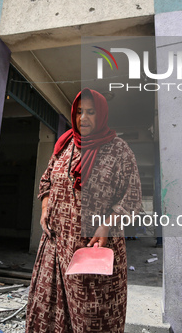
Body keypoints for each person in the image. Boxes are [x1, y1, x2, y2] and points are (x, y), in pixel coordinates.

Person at [26, 88, 142, 332]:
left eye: (90, 112)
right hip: (55, 246)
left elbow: (132, 197)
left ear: (101, 115)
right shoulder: (65, 144)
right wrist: (46, 206)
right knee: (48, 311)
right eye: (79, 112)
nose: (84, 118)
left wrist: (107, 225)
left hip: (93, 247)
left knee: (92, 315)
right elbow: (47, 180)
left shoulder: (118, 150)